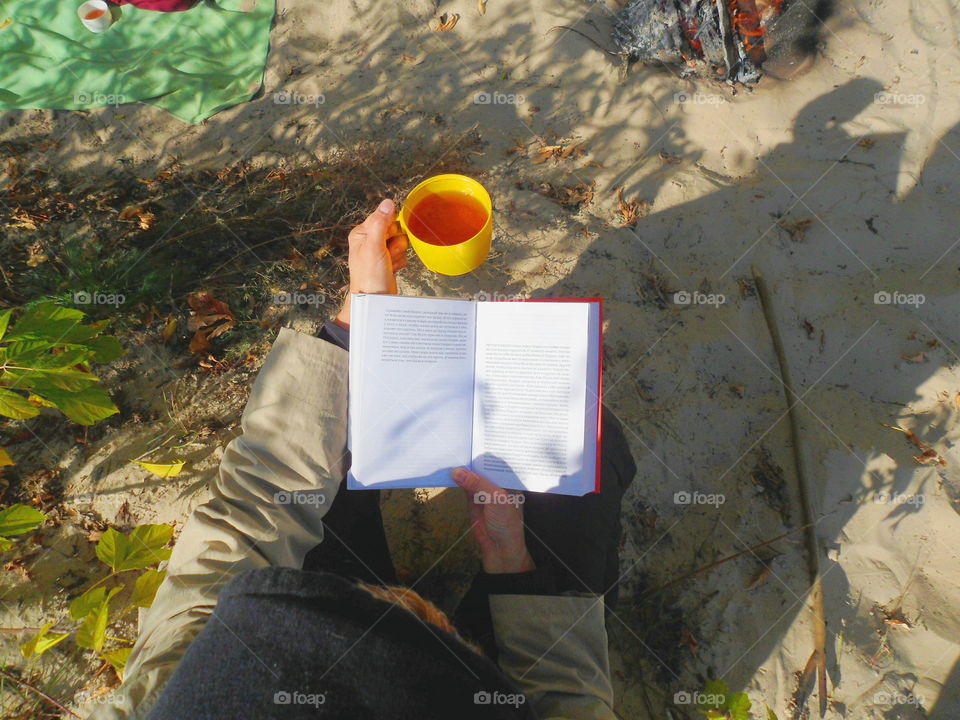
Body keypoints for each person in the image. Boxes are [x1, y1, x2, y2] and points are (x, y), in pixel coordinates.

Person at [90, 199, 637, 720]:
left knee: (340, 428)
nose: (400, 605)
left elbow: (248, 520)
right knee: (589, 445)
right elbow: (568, 700)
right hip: (485, 683)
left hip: (320, 597)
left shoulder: (178, 695)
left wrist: (355, 326)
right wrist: (512, 565)